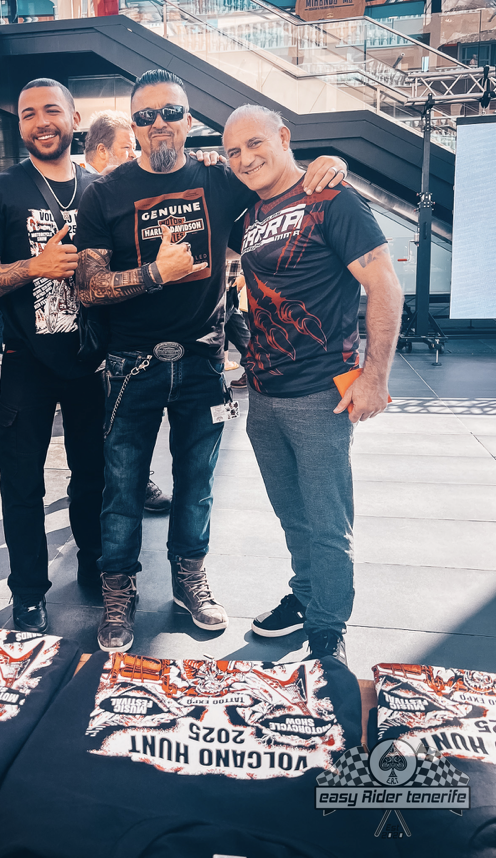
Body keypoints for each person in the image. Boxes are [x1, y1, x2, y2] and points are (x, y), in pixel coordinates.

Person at [75, 68, 347, 653]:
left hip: (201, 360)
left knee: (196, 485)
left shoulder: (220, 181)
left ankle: (188, 579)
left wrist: (328, 166)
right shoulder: (104, 193)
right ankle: (119, 589)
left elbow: (282, 177)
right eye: (144, 116)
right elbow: (87, 286)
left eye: (169, 112)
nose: (158, 125)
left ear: (188, 118)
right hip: (130, 363)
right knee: (121, 486)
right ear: (135, 126)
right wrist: (155, 273)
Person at [223, 104, 403, 665]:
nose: (245, 159)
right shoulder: (248, 216)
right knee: (292, 513)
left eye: (255, 144)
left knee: (327, 520)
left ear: (283, 136)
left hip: (322, 393)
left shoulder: (331, 197)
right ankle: (306, 597)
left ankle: (328, 625)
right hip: (264, 394)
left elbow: (385, 284)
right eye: (233, 152)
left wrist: (375, 376)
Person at [0, 78, 108, 635]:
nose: (41, 121)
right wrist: (33, 267)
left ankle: (96, 566)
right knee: (21, 481)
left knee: (94, 475)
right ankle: (27, 591)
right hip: (25, 357)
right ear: (20, 126)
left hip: (93, 357)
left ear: (76, 120)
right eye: (28, 114)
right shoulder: (0, 191)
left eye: (52, 110)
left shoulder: (104, 188)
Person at [85, 109, 172, 515]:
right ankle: (121, 485)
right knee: (112, 426)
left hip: (115, 329)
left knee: (115, 422)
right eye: (126, 148)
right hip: (84, 333)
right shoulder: (97, 191)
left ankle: (125, 482)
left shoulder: (119, 189)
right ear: (101, 151)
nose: (134, 154)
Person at [224, 256, 251, 387]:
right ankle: (254, 371)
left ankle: (255, 371)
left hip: (227, 287)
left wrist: (243, 275)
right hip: (223, 288)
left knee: (207, 336)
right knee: (240, 334)